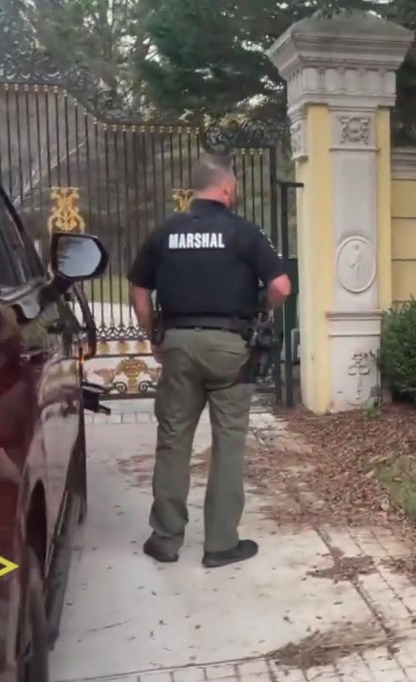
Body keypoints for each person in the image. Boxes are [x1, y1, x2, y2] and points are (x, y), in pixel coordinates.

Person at [127, 153, 291, 567]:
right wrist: (262, 309)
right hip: (230, 347)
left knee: (173, 440)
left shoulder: (164, 232)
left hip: (178, 344)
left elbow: (139, 290)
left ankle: (165, 539)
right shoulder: (244, 232)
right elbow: (282, 286)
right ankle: (220, 544)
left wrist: (154, 336)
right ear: (227, 189)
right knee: (228, 443)